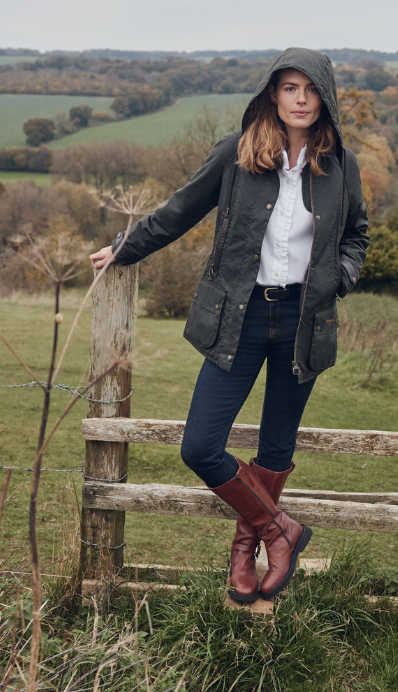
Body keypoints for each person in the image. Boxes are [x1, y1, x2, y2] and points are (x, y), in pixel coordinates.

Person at [89, 47, 369, 602]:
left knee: (275, 449)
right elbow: (178, 210)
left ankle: (246, 552)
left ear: (325, 97)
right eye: (290, 88)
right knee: (200, 446)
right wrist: (126, 247)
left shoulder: (341, 167)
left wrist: (339, 277)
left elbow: (357, 236)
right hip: (238, 316)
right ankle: (277, 530)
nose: (301, 99)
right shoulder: (237, 156)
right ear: (273, 94)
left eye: (310, 89)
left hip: (302, 320)